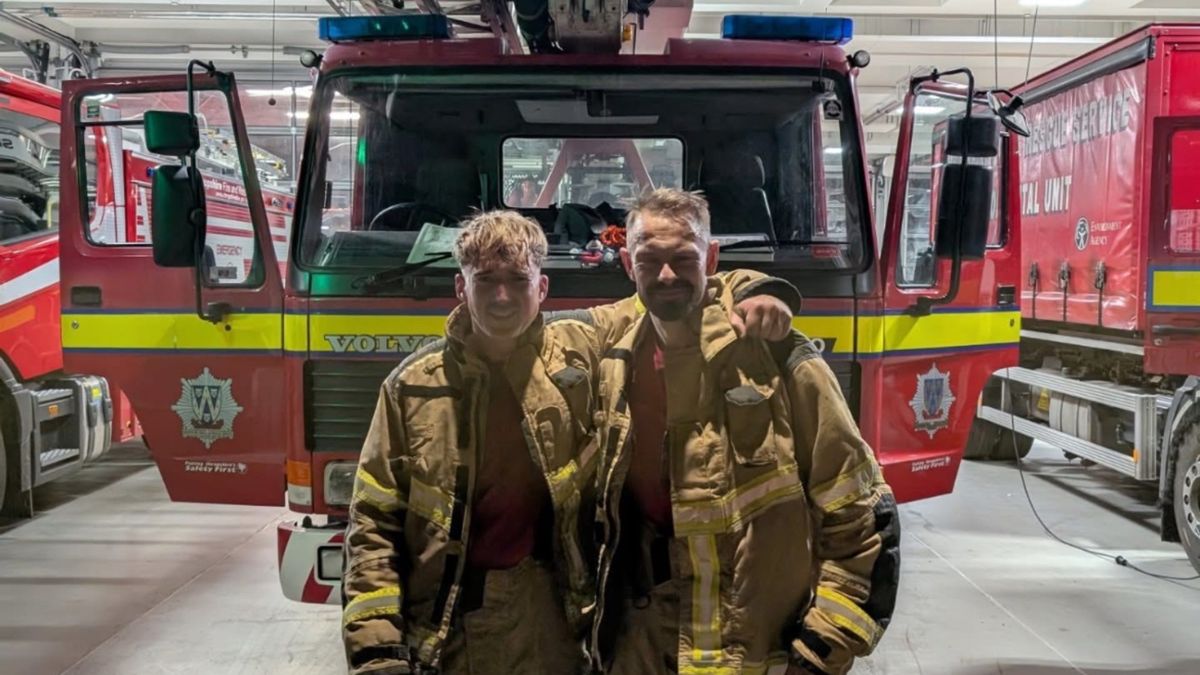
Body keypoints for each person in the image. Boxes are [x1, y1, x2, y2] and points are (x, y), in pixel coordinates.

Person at [341, 209, 799, 675]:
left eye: (518, 280)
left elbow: (673, 290)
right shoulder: (411, 389)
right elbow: (373, 526)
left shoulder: (582, 348)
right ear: (461, 289)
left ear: (542, 290)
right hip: (449, 628)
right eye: (485, 280)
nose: (502, 296)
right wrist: (377, 649)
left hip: (556, 625)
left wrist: (756, 290)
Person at [589, 189, 900, 675]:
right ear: (628, 264)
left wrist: (821, 650)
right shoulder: (608, 356)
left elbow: (859, 516)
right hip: (639, 639)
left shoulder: (776, 357)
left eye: (684, 258)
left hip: (750, 654)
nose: (667, 275)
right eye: (650, 260)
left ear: (711, 257)